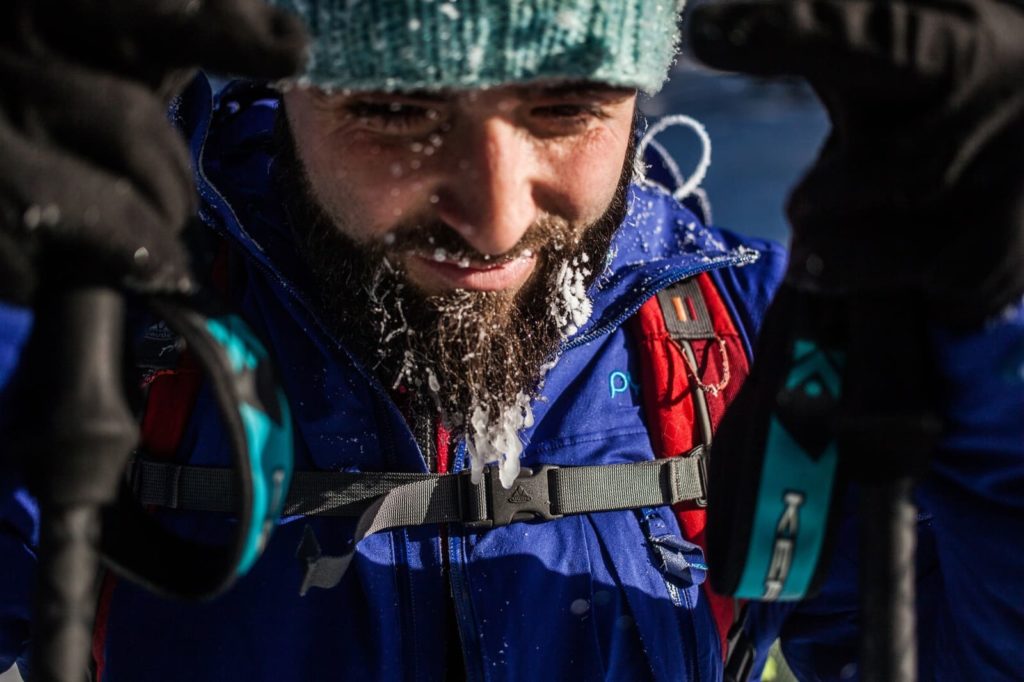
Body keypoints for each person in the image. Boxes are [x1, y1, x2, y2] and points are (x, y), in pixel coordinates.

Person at [0, 1, 1021, 681]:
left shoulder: (736, 338)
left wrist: (999, 330)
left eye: (566, 107)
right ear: (293, 85)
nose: (493, 219)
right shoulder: (116, 322)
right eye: (397, 111)